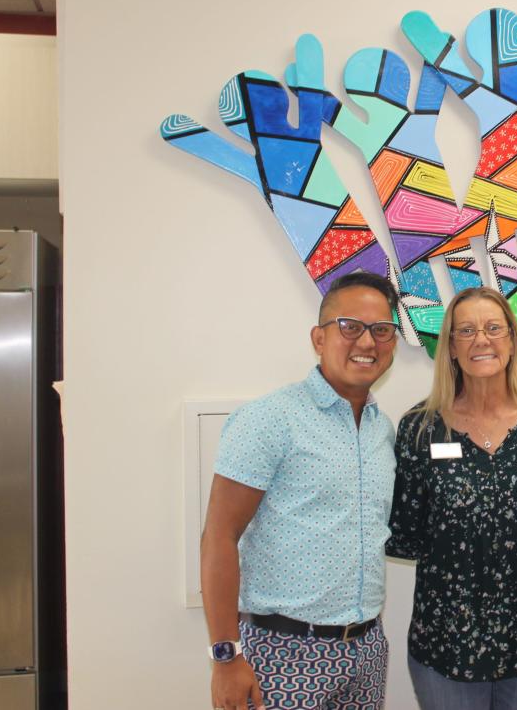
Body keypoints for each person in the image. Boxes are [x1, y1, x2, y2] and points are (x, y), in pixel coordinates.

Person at [387, 286, 517, 710]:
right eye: (465, 330)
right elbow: (403, 536)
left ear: (512, 341)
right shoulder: (420, 427)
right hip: (446, 644)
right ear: (450, 347)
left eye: (492, 328)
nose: (481, 339)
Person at [200, 271, 401, 710]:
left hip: (366, 650)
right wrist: (225, 655)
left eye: (382, 331)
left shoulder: (381, 430)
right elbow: (219, 536)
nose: (367, 343)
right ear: (319, 337)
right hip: (282, 652)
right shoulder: (270, 419)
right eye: (350, 327)